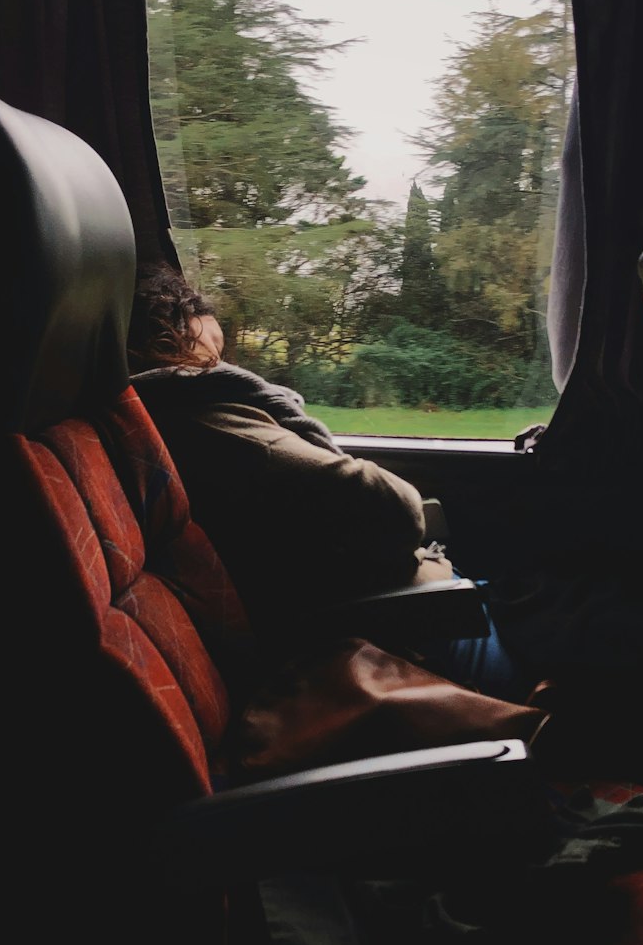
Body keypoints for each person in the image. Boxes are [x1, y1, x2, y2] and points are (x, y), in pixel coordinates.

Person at [128, 261, 524, 697]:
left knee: (530, 602)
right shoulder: (204, 420)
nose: (221, 356)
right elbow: (391, 510)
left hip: (330, 598)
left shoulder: (157, 414)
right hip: (363, 618)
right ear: (175, 333)